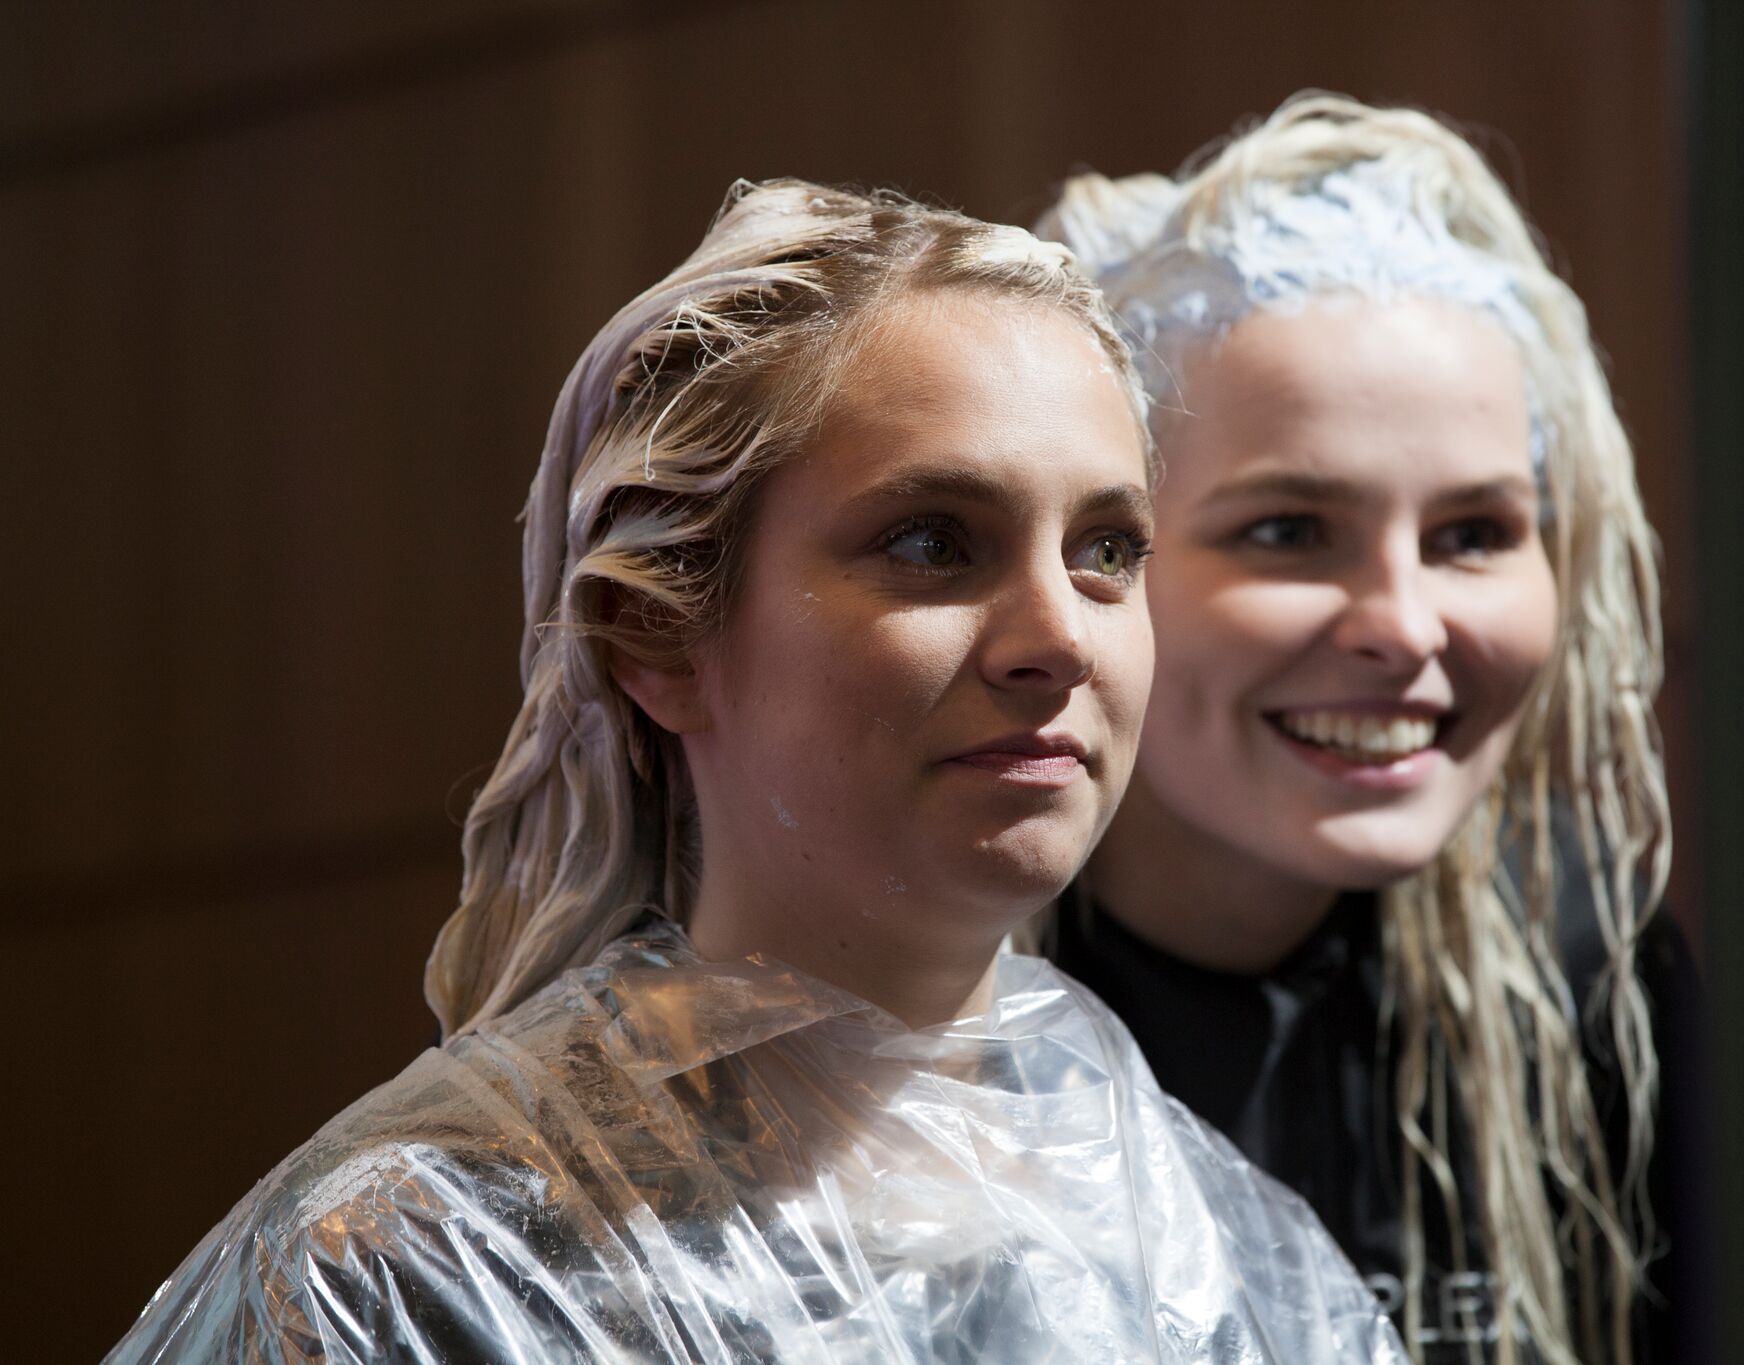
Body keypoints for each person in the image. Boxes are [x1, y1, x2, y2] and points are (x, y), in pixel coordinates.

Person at [110, 180, 1406, 1364]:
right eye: (931, 543)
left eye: (1107, 550)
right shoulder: (413, 1274)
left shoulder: (1236, 1260)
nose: (1061, 637)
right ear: (656, 634)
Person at [1038, 95, 1694, 1365]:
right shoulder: (917, 1006)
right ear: (1102, 564)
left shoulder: (1582, 965)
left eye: (1471, 534)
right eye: (1286, 531)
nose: (1401, 626)